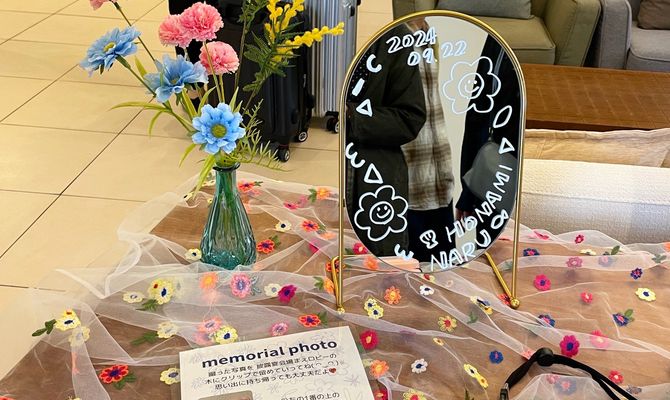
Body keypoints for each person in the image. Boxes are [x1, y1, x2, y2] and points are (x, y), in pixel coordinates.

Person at [345, 25, 427, 256]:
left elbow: (411, 118)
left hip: (373, 180)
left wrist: (351, 115)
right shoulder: (292, 21)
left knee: (378, 271)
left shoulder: (393, 35)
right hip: (310, 161)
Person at [401, 19, 456, 262]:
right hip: (411, 183)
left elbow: (432, 103)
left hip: (440, 179)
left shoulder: (428, 33)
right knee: (413, 272)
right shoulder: (395, 40)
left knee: (443, 269)